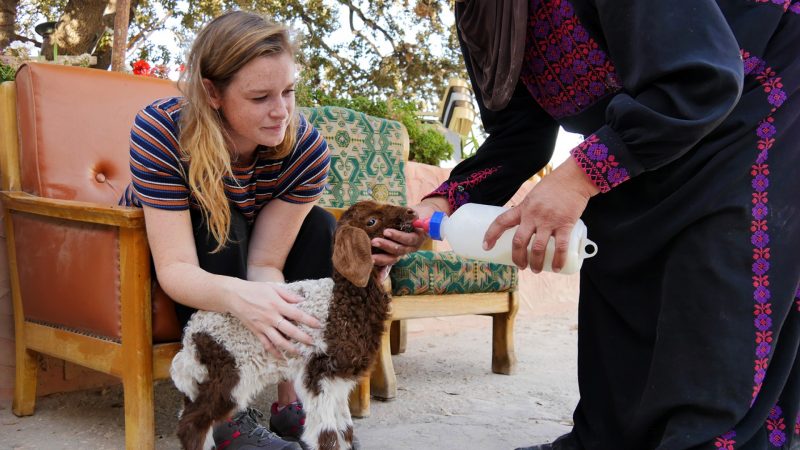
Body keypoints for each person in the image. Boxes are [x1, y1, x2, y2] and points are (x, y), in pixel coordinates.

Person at [373, 1, 800, 449]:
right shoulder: (483, 12)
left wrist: (578, 177)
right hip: (639, 117)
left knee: (711, 274)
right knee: (615, 244)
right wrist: (444, 200)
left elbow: (699, 78)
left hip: (755, 94)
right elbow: (520, 134)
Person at [119, 11, 334, 450]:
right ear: (212, 93)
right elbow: (175, 267)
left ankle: (292, 401)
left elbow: (266, 261)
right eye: (259, 97)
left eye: (288, 91)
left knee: (320, 226)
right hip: (171, 255)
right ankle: (220, 413)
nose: (281, 112)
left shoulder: (307, 150)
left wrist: (271, 308)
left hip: (248, 249)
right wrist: (240, 297)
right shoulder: (161, 130)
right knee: (220, 219)